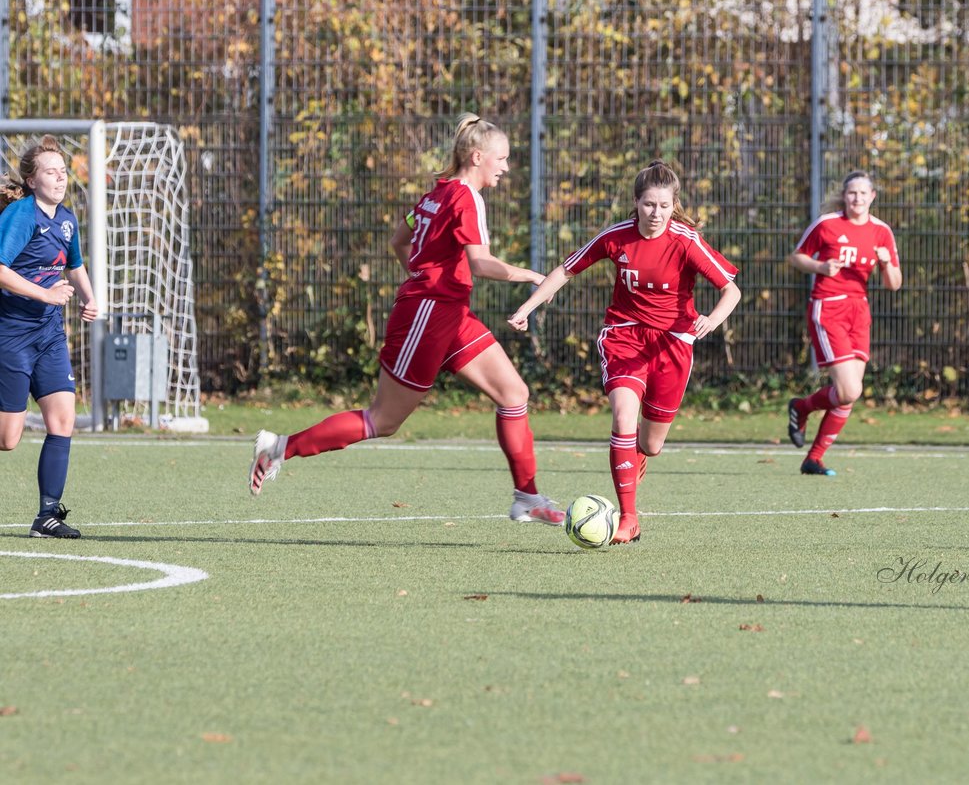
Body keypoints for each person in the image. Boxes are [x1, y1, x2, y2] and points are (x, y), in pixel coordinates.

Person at [250, 114, 564, 526]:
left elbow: (400, 240)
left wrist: (424, 275)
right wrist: (531, 276)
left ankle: (526, 496)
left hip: (447, 311)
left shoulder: (436, 194)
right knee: (383, 420)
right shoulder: (465, 197)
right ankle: (279, 447)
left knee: (513, 394)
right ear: (477, 156)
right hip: (429, 314)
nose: (506, 167)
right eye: (501, 159)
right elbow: (481, 263)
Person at [507, 160, 740, 544]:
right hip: (624, 337)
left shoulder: (685, 241)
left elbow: (731, 290)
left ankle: (634, 463)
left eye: (664, 206)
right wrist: (527, 308)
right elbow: (565, 271)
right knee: (623, 416)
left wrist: (712, 320)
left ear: (673, 204)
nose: (656, 213)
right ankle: (629, 517)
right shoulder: (616, 237)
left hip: (674, 344)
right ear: (636, 203)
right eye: (649, 204)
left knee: (650, 444)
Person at [0, 135, 99, 538]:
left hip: (49, 335)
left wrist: (90, 298)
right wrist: (45, 293)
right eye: (50, 172)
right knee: (8, 439)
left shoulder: (67, 219)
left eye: (62, 172)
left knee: (63, 420)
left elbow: (74, 265)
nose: (59, 179)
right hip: (11, 333)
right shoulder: (21, 216)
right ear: (32, 180)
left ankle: (46, 516)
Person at [785, 171, 902, 476]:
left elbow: (895, 284)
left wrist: (887, 262)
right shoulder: (828, 224)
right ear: (845, 195)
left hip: (859, 311)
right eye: (852, 193)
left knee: (850, 391)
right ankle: (803, 409)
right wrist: (820, 266)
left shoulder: (881, 232)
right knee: (849, 390)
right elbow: (797, 257)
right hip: (828, 308)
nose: (857, 199)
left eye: (863, 194)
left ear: (873, 196)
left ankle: (814, 456)